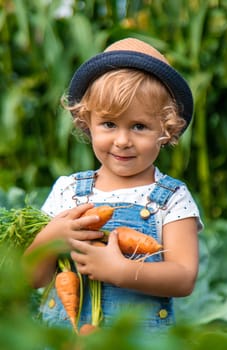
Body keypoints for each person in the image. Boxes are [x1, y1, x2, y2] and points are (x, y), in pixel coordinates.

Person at [25, 37, 203, 333]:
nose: (122, 141)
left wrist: (121, 271)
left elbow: (184, 277)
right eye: (109, 124)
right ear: (87, 121)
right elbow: (33, 277)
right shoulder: (68, 191)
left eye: (139, 126)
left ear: (166, 130)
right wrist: (51, 236)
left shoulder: (172, 198)